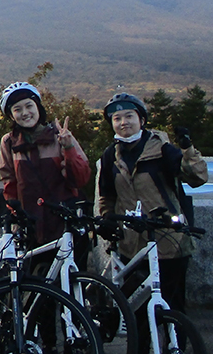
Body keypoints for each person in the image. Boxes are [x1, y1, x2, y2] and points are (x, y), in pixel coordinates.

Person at [97, 92, 207, 315]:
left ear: (142, 120)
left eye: (129, 116)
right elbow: (107, 194)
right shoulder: (111, 155)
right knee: (137, 312)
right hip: (132, 246)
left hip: (169, 241)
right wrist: (107, 217)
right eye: (117, 119)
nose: (123, 122)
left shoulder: (162, 149)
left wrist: (187, 148)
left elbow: (198, 178)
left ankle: (175, 348)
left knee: (172, 308)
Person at [0, 81, 91, 248]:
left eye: (29, 106)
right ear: (11, 116)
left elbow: (80, 180)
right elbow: (9, 183)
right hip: (31, 226)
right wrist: (15, 215)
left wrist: (68, 147)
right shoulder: (9, 142)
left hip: (64, 225)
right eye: (17, 109)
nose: (25, 113)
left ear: (38, 108)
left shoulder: (59, 136)